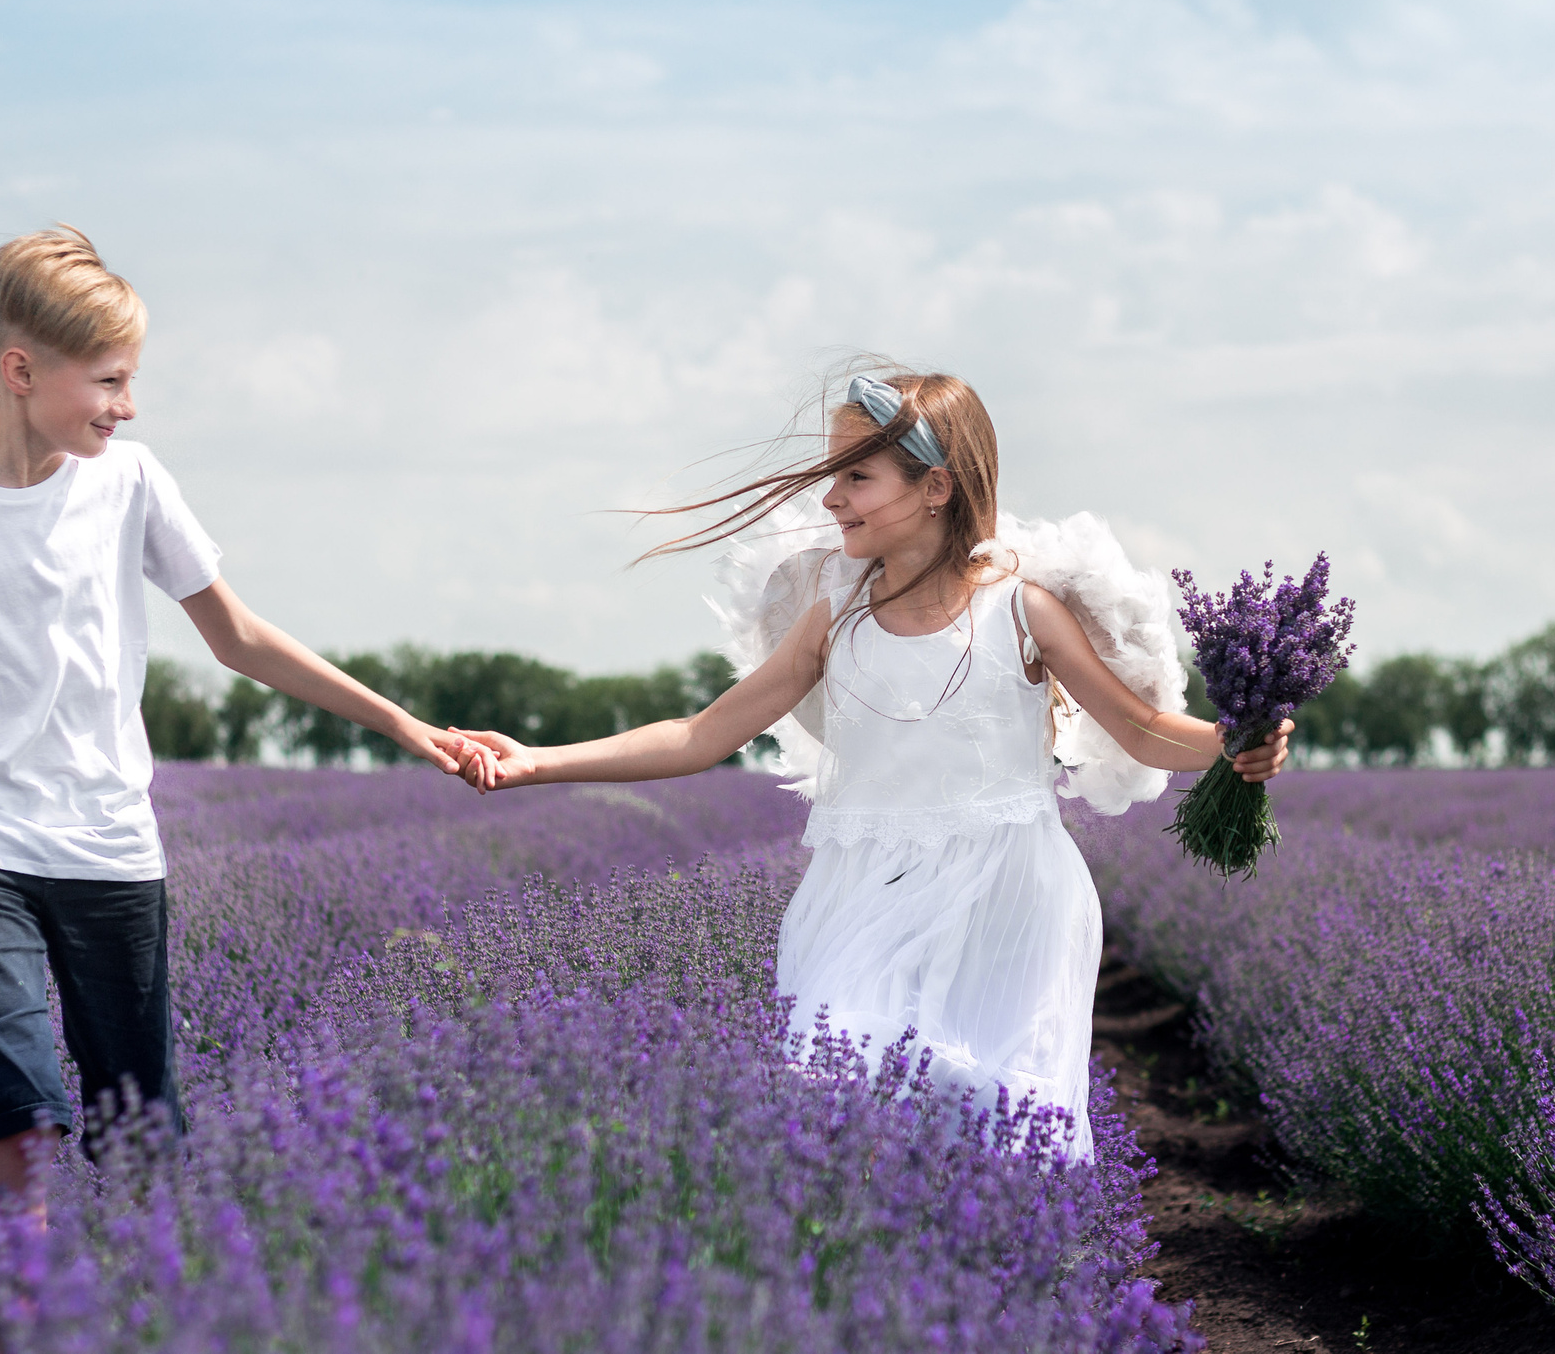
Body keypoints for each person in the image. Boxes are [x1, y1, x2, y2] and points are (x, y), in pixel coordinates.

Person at [0, 226, 472, 1215]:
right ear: (20, 370)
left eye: (127, 381)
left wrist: (402, 724)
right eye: (106, 380)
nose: (125, 404)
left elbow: (240, 638)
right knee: (18, 1112)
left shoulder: (132, 482)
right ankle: (18, 1317)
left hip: (108, 843)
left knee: (138, 1140)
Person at [448, 364, 1291, 1158]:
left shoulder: (1022, 610)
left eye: (857, 476)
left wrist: (1235, 742)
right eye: (835, 474)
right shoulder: (832, 613)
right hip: (861, 894)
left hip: (1007, 894)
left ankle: (1004, 1299)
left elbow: (1142, 727)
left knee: (1000, 1126)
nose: (831, 495)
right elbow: (704, 733)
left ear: (935, 487)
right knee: (840, 1095)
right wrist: (537, 761)